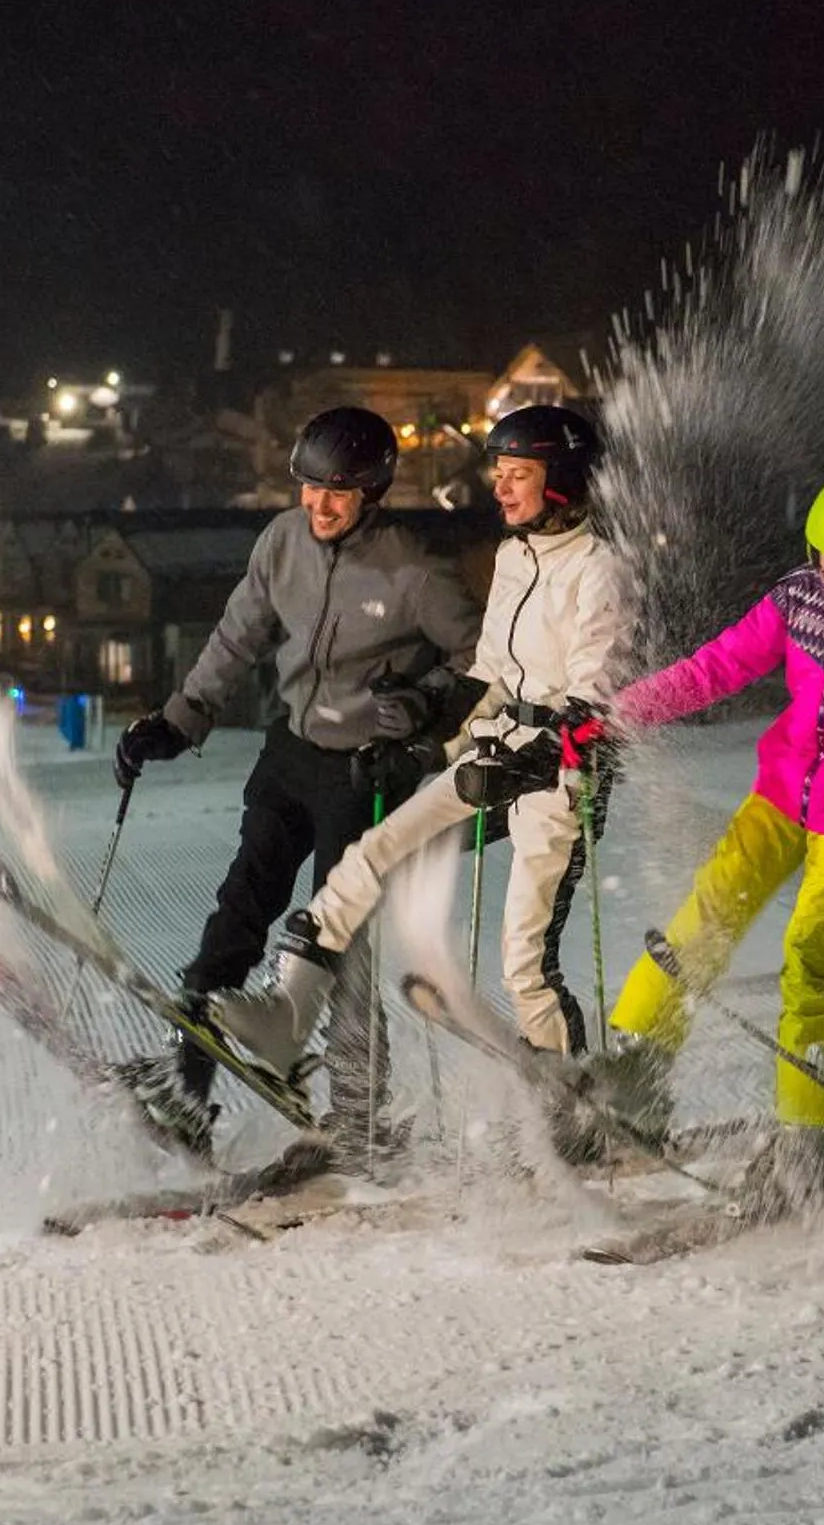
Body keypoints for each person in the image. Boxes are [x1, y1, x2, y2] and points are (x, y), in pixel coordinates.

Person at [582, 466, 824, 1214]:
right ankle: (637, 1061)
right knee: (706, 914)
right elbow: (717, 666)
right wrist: (618, 714)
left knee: (812, 959)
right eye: (823, 551)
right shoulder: (798, 599)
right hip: (779, 791)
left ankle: (808, 1135)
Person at [206, 403, 629, 1080]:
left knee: (523, 956)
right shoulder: (514, 555)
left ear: (562, 481)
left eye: (518, 473)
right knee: (365, 859)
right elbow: (486, 676)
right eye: (500, 472)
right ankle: (290, 1011)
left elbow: (595, 702)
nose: (501, 486)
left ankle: (570, 1093)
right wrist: (424, 739)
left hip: (561, 779)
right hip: (494, 754)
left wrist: (528, 762)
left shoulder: (599, 569)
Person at [109, 406, 483, 1160]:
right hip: (291, 753)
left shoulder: (412, 569)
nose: (319, 505)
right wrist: (179, 720)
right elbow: (236, 632)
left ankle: (359, 1109)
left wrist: (423, 705)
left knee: (334, 939)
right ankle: (189, 1082)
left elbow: (480, 656)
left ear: (373, 491)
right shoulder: (282, 540)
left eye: (337, 493)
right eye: (309, 488)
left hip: (363, 772)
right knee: (239, 906)